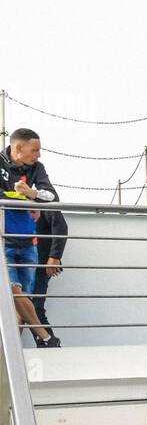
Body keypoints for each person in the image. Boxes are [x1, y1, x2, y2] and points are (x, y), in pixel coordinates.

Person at [1, 128, 60, 347]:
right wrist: (24, 199)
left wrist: (32, 195)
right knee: (14, 292)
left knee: (23, 299)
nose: (39, 154)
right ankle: (46, 337)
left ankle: (10, 350)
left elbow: (52, 197)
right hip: (3, 241)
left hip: (28, 243)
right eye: (35, 150)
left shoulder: (37, 168)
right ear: (18, 148)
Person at [29, 203, 68, 331]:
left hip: (41, 265)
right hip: (24, 264)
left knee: (34, 308)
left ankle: (50, 343)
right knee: (21, 307)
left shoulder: (42, 200)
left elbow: (61, 226)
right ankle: (11, 349)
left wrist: (54, 257)